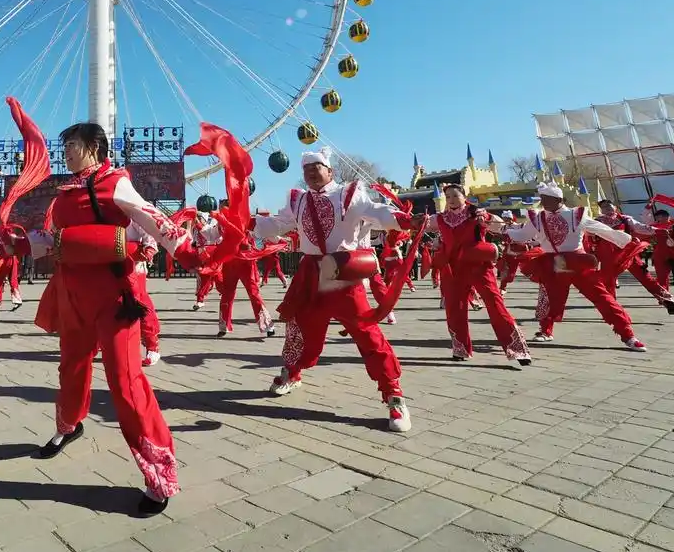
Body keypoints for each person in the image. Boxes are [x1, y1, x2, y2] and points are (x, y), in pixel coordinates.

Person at [28, 121, 207, 517]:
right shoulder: (62, 196)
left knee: (125, 382)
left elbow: (152, 218)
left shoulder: (115, 184)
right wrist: (19, 242)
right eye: (65, 146)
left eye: (73, 144)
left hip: (114, 298)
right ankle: (69, 425)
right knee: (71, 368)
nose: (67, 152)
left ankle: (159, 476)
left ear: (95, 146)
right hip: (71, 295)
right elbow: (51, 240)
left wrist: (190, 253)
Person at [254, 148, 414, 433]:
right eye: (307, 169)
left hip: (344, 275)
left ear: (330, 171)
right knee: (301, 330)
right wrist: (246, 223)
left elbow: (376, 211)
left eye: (317, 167)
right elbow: (277, 224)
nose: (311, 173)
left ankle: (393, 394)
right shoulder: (298, 200)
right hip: (311, 275)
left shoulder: (349, 194)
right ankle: (292, 373)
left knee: (367, 334)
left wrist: (400, 219)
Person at [493, 184, 646, 351]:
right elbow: (522, 235)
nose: (542, 202)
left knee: (603, 297)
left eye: (546, 199)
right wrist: (501, 230)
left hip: (577, 262)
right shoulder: (538, 217)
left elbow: (601, 229)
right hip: (552, 264)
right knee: (548, 298)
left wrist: (624, 239)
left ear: (558, 199)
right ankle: (545, 331)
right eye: (542, 198)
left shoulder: (576, 214)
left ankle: (628, 335)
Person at [422, 185, 531, 368]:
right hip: (453, 269)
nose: (451, 199)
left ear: (464, 196)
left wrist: (488, 218)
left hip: (479, 267)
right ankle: (460, 349)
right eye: (448, 196)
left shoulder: (477, 214)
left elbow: (498, 225)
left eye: (455, 195)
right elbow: (418, 224)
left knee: (495, 304)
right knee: (455, 308)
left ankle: (517, 349)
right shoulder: (440, 218)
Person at [593, 200, 674, 314]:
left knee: (647, 277)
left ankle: (668, 303)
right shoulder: (596, 222)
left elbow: (641, 227)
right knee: (609, 283)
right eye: (604, 207)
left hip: (629, 253)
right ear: (601, 210)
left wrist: (658, 230)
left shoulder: (625, 219)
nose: (607, 209)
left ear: (615, 207)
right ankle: (612, 310)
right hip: (610, 257)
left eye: (609, 206)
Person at [127, 221, 163, 367]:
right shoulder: (102, 213)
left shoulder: (132, 213)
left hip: (134, 268)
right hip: (110, 267)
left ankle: (152, 346)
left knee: (141, 305)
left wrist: (148, 249)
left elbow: (149, 233)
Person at [189, 210, 222, 310]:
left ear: (205, 219)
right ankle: (200, 300)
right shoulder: (195, 229)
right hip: (202, 255)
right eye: (197, 218)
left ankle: (225, 294)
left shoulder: (210, 228)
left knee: (218, 278)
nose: (198, 220)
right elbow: (194, 242)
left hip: (213, 255)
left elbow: (218, 239)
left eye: (200, 218)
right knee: (203, 278)